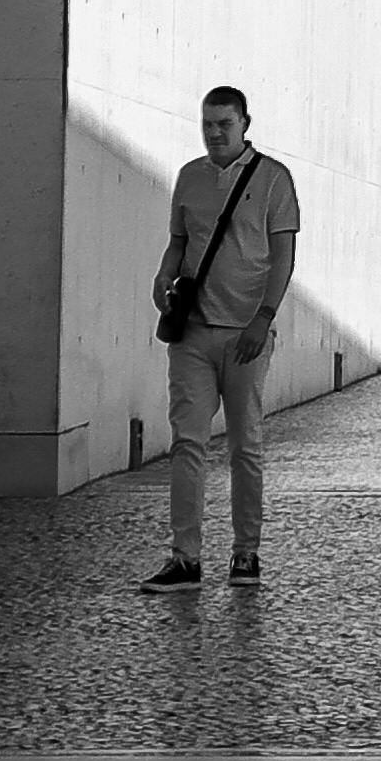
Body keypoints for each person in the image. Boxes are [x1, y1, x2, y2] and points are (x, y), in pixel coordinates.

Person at [149, 84, 299, 588]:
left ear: (245, 124)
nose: (215, 133)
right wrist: (161, 278)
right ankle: (185, 557)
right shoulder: (189, 177)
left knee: (244, 445)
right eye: (208, 124)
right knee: (187, 444)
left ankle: (245, 553)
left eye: (224, 124)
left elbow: (283, 257)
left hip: (244, 337)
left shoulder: (275, 180)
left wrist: (264, 318)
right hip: (191, 333)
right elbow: (178, 243)